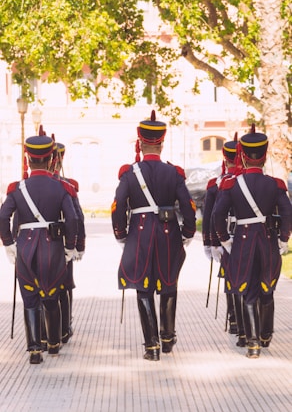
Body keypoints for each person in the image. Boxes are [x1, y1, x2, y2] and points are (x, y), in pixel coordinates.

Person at [111, 110, 196, 361]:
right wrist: (188, 233)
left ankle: (151, 347)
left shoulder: (129, 172)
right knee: (169, 284)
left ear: (140, 142)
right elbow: (187, 205)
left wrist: (121, 234)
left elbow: (118, 205)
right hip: (168, 233)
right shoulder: (174, 173)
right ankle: (168, 338)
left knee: (143, 287)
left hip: (140, 234)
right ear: (161, 142)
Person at [213, 125, 292, 358]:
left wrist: (225, 241)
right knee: (267, 289)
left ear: (243, 156)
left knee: (247, 291)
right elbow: (287, 212)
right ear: (264, 156)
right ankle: (266, 335)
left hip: (243, 241)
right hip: (267, 241)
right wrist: (284, 239)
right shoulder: (275, 184)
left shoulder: (231, 184)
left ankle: (253, 343)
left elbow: (218, 214)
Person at [0, 135, 78, 364]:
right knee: (52, 294)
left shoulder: (17, 188)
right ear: (51, 158)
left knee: (30, 298)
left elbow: (4, 216)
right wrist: (70, 247)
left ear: (28, 158)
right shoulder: (62, 187)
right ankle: (53, 344)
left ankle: (34, 349)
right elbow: (72, 218)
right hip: (52, 247)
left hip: (25, 246)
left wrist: (9, 244)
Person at [202, 134, 243, 340]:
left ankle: (234, 320)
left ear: (225, 158)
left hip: (224, 236)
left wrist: (211, 243)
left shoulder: (216, 183)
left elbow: (210, 216)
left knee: (229, 276)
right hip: (246, 234)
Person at [52, 141, 86, 344]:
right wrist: (78, 245)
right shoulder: (67, 186)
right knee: (64, 285)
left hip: (39, 244)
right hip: (63, 243)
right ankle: (64, 328)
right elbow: (77, 218)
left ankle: (49, 331)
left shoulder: (27, 183)